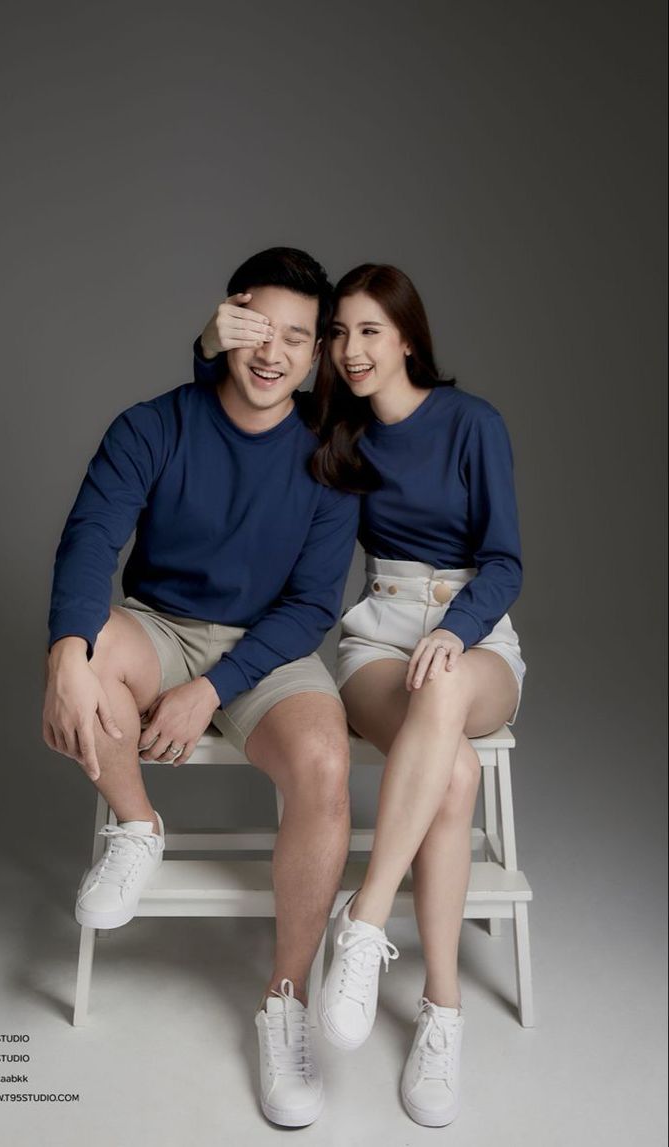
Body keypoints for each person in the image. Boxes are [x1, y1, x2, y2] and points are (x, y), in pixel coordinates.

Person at [195, 262, 525, 1128]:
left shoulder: (472, 424)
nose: (347, 349)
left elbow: (506, 559)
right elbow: (231, 404)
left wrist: (458, 628)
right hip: (379, 630)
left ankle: (366, 918)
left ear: (409, 337)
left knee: (448, 684)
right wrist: (207, 342)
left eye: (368, 331)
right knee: (451, 775)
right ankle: (442, 1011)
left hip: (474, 632)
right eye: (337, 333)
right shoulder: (330, 430)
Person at [43, 247, 360, 1129]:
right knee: (90, 650)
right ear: (226, 322)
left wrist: (212, 688)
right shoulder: (152, 425)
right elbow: (87, 543)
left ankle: (285, 1000)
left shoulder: (329, 455)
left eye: (296, 338)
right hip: (164, 622)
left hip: (269, 648)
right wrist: (65, 653)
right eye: (257, 327)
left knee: (326, 767)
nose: (272, 352)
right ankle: (138, 826)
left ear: (316, 355)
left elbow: (308, 608)